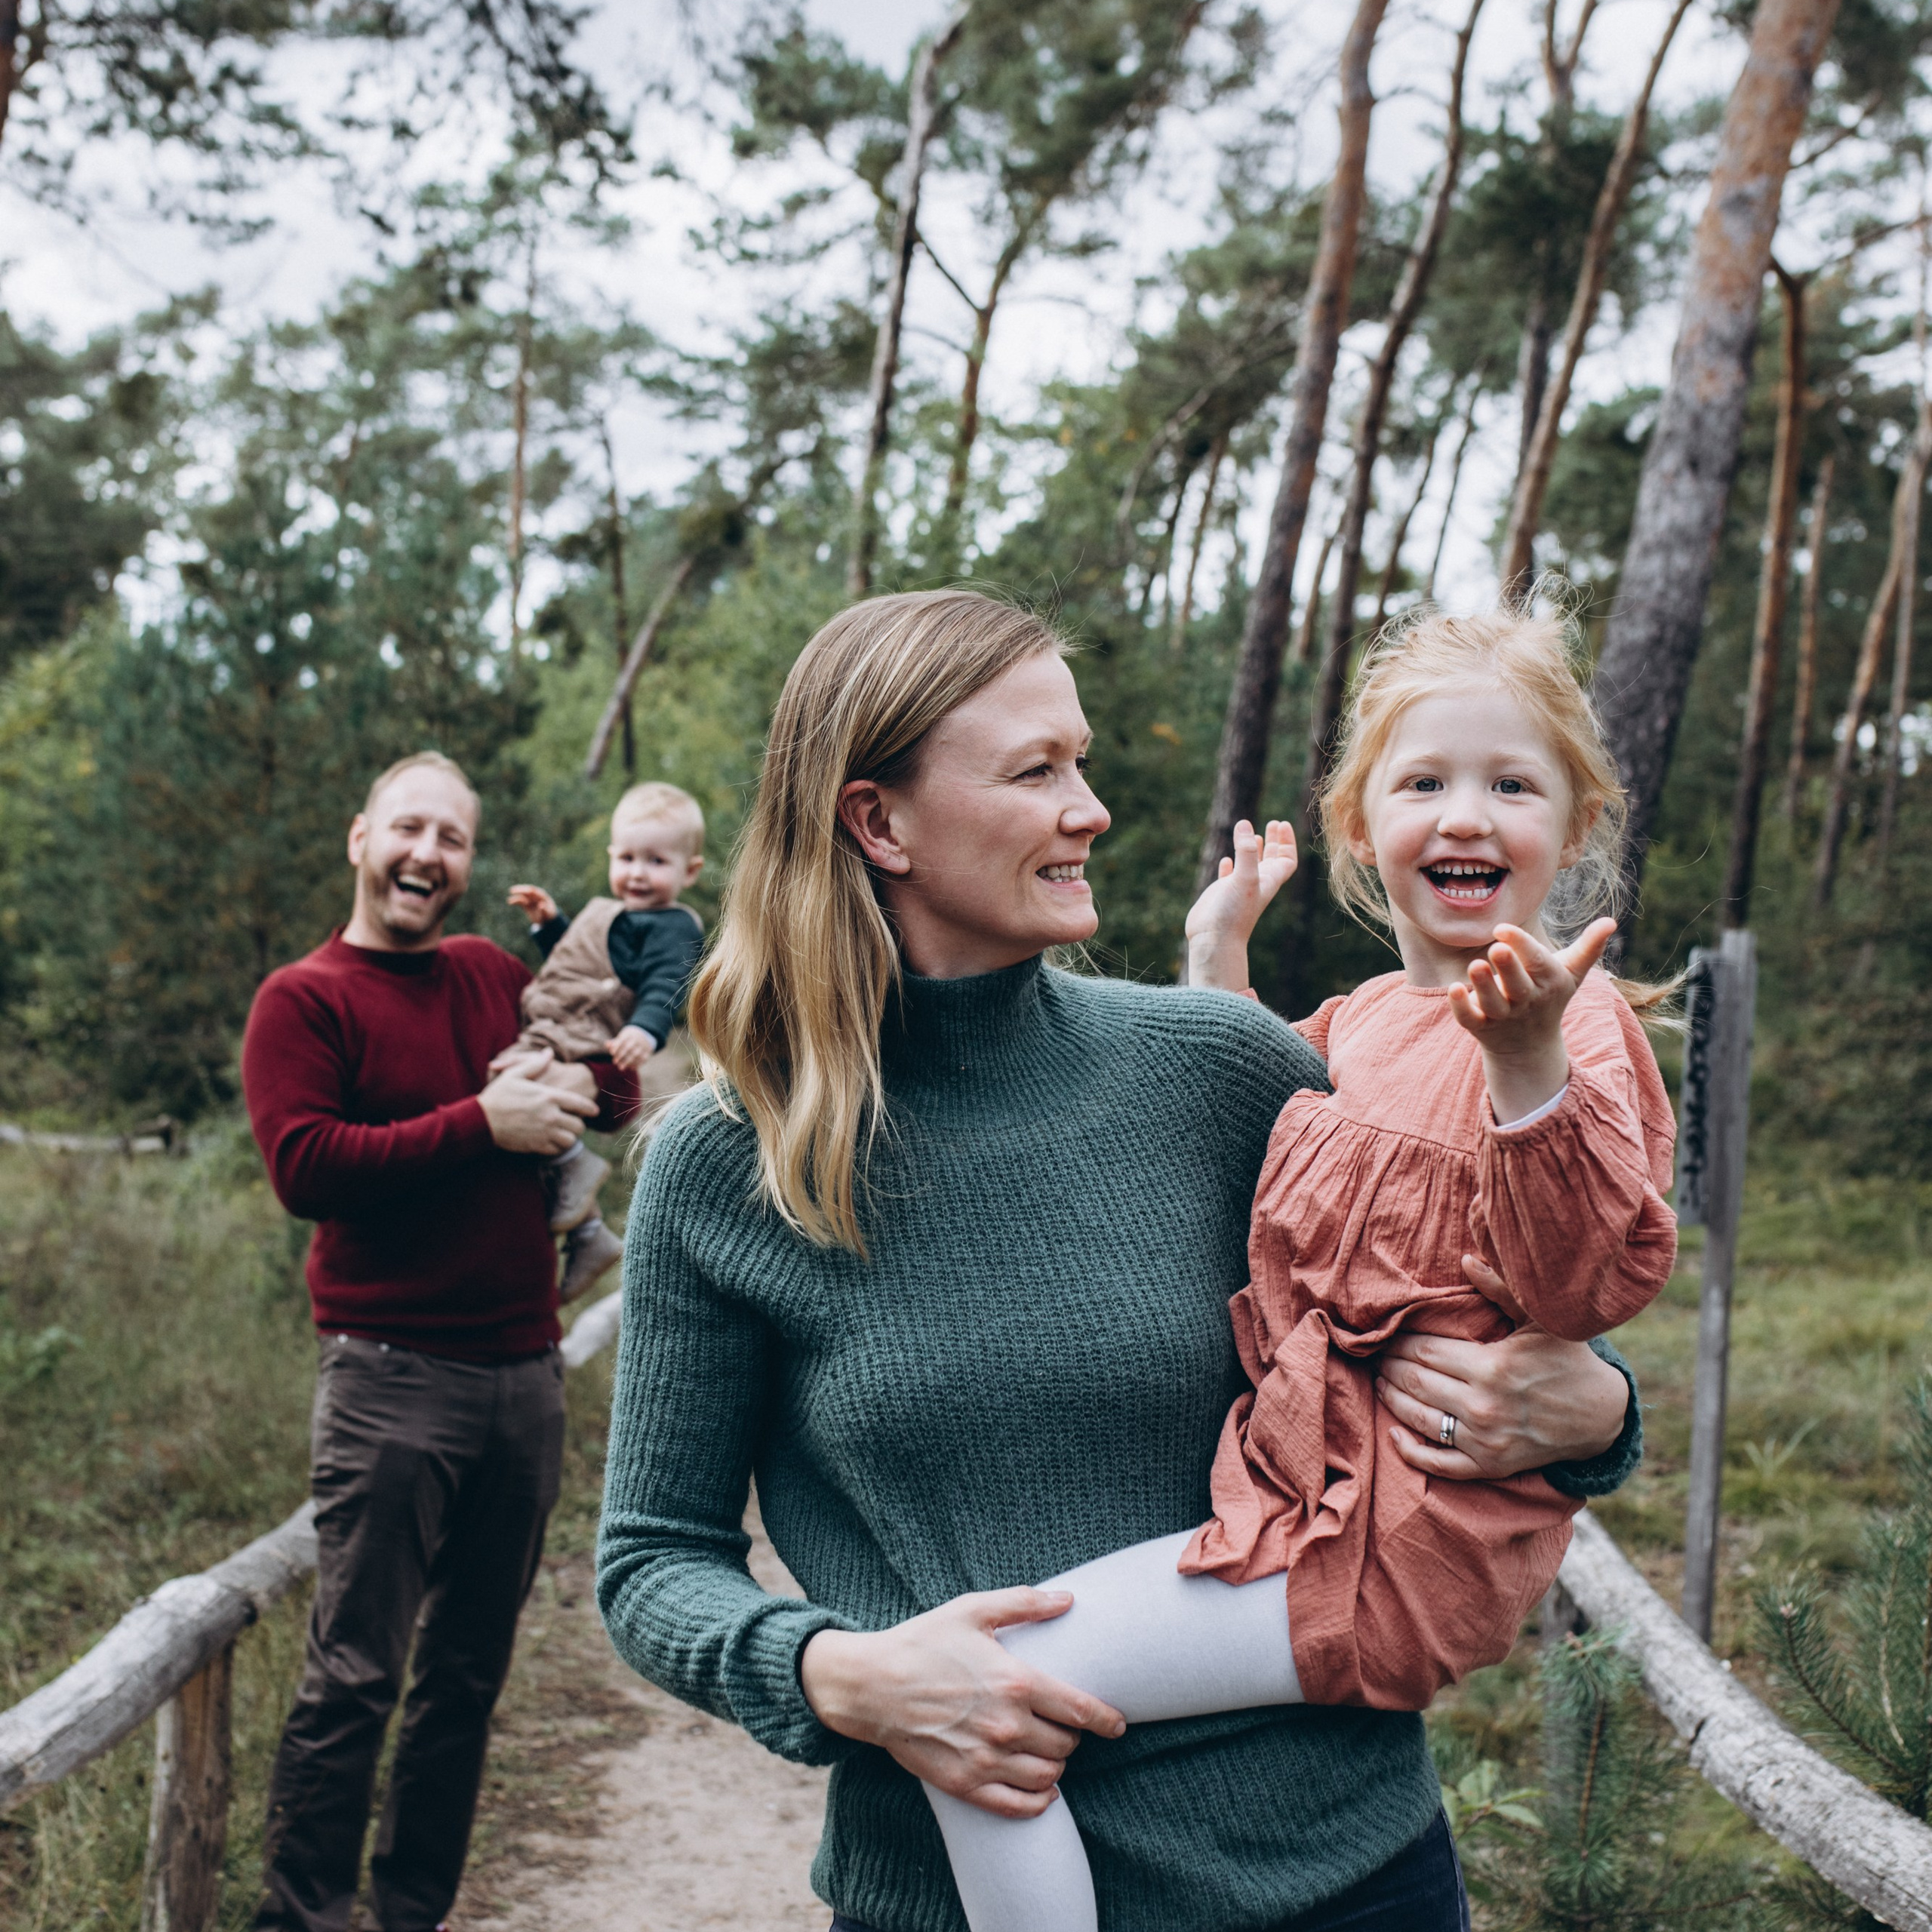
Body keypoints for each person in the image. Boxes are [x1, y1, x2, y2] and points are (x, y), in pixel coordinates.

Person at [597, 590, 1647, 1932]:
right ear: (881, 823)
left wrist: (1596, 1409)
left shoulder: (1223, 1070)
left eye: (1081, 761)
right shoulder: (725, 1161)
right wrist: (842, 1676)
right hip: (950, 1894)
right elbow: (650, 1560)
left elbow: (1457, 1261)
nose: (1090, 806)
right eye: (1039, 772)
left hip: (1346, 1879)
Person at [918, 608, 1679, 1930]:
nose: (1467, 815)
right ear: (1360, 825)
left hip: (1398, 1535)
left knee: (986, 1678)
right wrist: (1220, 958)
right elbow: (1257, 1141)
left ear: (1576, 821)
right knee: (990, 1690)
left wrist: (1528, 1066)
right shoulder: (1365, 1020)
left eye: (1513, 784)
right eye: (1424, 781)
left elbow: (1578, 1287)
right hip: (1310, 1494)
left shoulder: (1575, 1020)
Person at [241, 751, 635, 1932]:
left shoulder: (480, 973)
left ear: (467, 863)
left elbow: (576, 1081)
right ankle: (302, 1916)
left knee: (466, 1677)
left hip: (523, 1376)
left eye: (452, 839)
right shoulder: (302, 1000)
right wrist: (480, 1123)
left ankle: (410, 1910)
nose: (428, 855)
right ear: (361, 839)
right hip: (389, 1376)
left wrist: (598, 1080)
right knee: (355, 1676)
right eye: (409, 830)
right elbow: (306, 1168)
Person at [501, 780, 707, 1301]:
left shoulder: (672, 926)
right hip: (559, 1020)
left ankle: (572, 1165)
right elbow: (580, 959)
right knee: (517, 1092)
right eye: (629, 858)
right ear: (612, 856)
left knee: (508, 1084)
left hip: (586, 1030)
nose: (638, 873)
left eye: (657, 861)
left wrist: (645, 1027)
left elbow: (666, 982)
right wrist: (549, 925)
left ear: (690, 871)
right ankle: (589, 1232)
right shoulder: (614, 915)